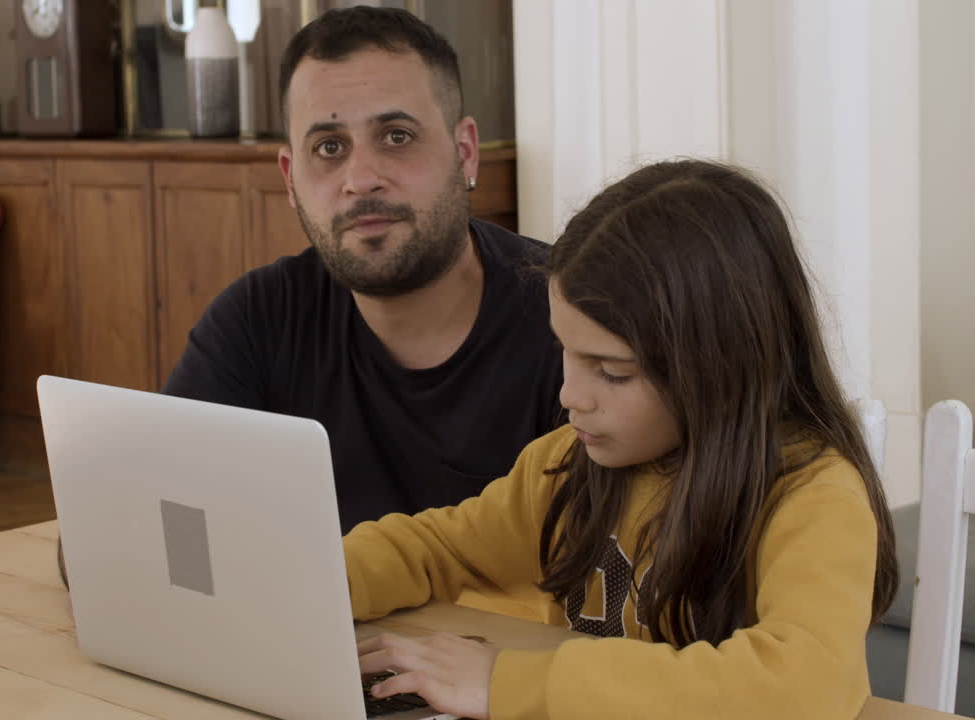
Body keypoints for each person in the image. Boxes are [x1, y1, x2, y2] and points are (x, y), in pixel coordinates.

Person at [345, 159, 900, 720]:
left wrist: (508, 683)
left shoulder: (814, 498)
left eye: (611, 371)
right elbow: (436, 549)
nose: (570, 395)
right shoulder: (564, 465)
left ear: (720, 367)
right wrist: (309, 585)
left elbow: (803, 688)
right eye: (565, 350)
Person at [56, 8, 561, 588]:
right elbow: (121, 527)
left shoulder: (568, 317)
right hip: (322, 656)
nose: (361, 178)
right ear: (290, 180)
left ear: (465, 153)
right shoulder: (259, 319)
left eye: (396, 137)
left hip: (500, 668)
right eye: (329, 147)